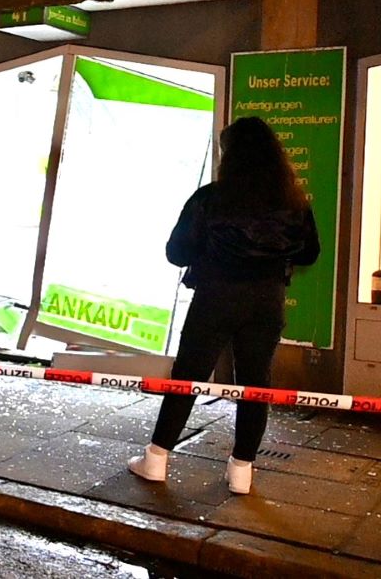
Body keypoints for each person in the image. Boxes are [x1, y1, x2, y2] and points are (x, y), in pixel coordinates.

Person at [128, 116, 320, 495]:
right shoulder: (294, 204)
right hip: (267, 301)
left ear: (229, 156)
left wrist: (212, 251)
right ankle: (242, 471)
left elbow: (176, 252)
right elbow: (310, 252)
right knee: (255, 384)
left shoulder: (210, 198)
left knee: (187, 376)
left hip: (215, 297)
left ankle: (156, 458)